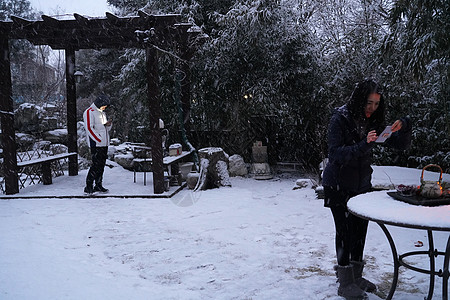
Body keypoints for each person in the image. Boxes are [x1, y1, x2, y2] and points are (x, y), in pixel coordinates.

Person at [322, 79, 411, 299]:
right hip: (338, 184)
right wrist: (363, 144)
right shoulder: (340, 119)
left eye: (376, 103)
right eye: (368, 103)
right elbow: (335, 153)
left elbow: (400, 144)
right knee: (344, 232)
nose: (372, 108)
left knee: (360, 230)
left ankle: (356, 276)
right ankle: (345, 281)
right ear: (359, 99)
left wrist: (405, 125)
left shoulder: (374, 122)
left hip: (361, 185)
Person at [83, 94, 112, 194]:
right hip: (96, 144)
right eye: (104, 106)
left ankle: (98, 184)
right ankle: (89, 186)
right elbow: (89, 128)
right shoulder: (89, 112)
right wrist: (98, 139)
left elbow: (104, 128)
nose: (105, 108)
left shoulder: (102, 113)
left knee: (101, 165)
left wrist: (108, 125)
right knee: (95, 165)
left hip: (104, 143)